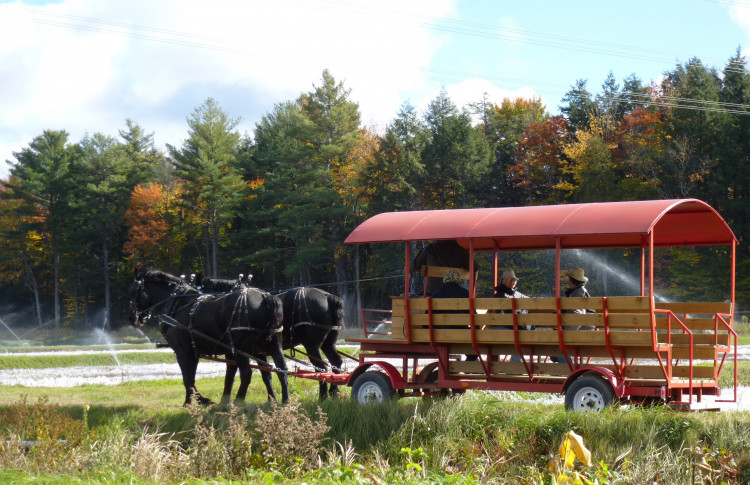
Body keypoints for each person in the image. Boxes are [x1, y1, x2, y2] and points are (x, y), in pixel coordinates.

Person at [431, 270, 477, 361]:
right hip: (458, 333)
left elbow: (427, 316)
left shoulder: (435, 294)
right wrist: (477, 329)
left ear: (445, 280)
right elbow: (473, 316)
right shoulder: (464, 293)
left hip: (437, 333)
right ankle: (469, 365)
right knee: (474, 343)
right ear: (458, 280)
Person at [410, 240, 476, 296]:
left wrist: (407, 269)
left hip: (431, 293)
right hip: (454, 292)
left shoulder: (430, 249)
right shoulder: (461, 251)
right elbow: (474, 267)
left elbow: (413, 267)